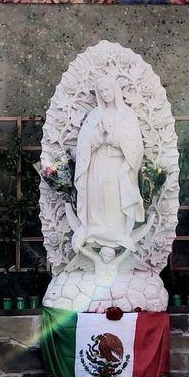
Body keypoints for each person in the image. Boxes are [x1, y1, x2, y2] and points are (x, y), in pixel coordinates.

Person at [71, 76, 145, 254]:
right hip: (97, 163)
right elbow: (84, 143)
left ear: (115, 90)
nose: (105, 94)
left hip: (117, 164)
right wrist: (98, 135)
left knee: (114, 199)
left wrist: (113, 136)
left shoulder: (126, 114)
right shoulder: (95, 115)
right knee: (97, 199)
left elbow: (135, 144)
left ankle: (116, 235)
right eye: (101, 91)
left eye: (107, 90)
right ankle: (96, 233)